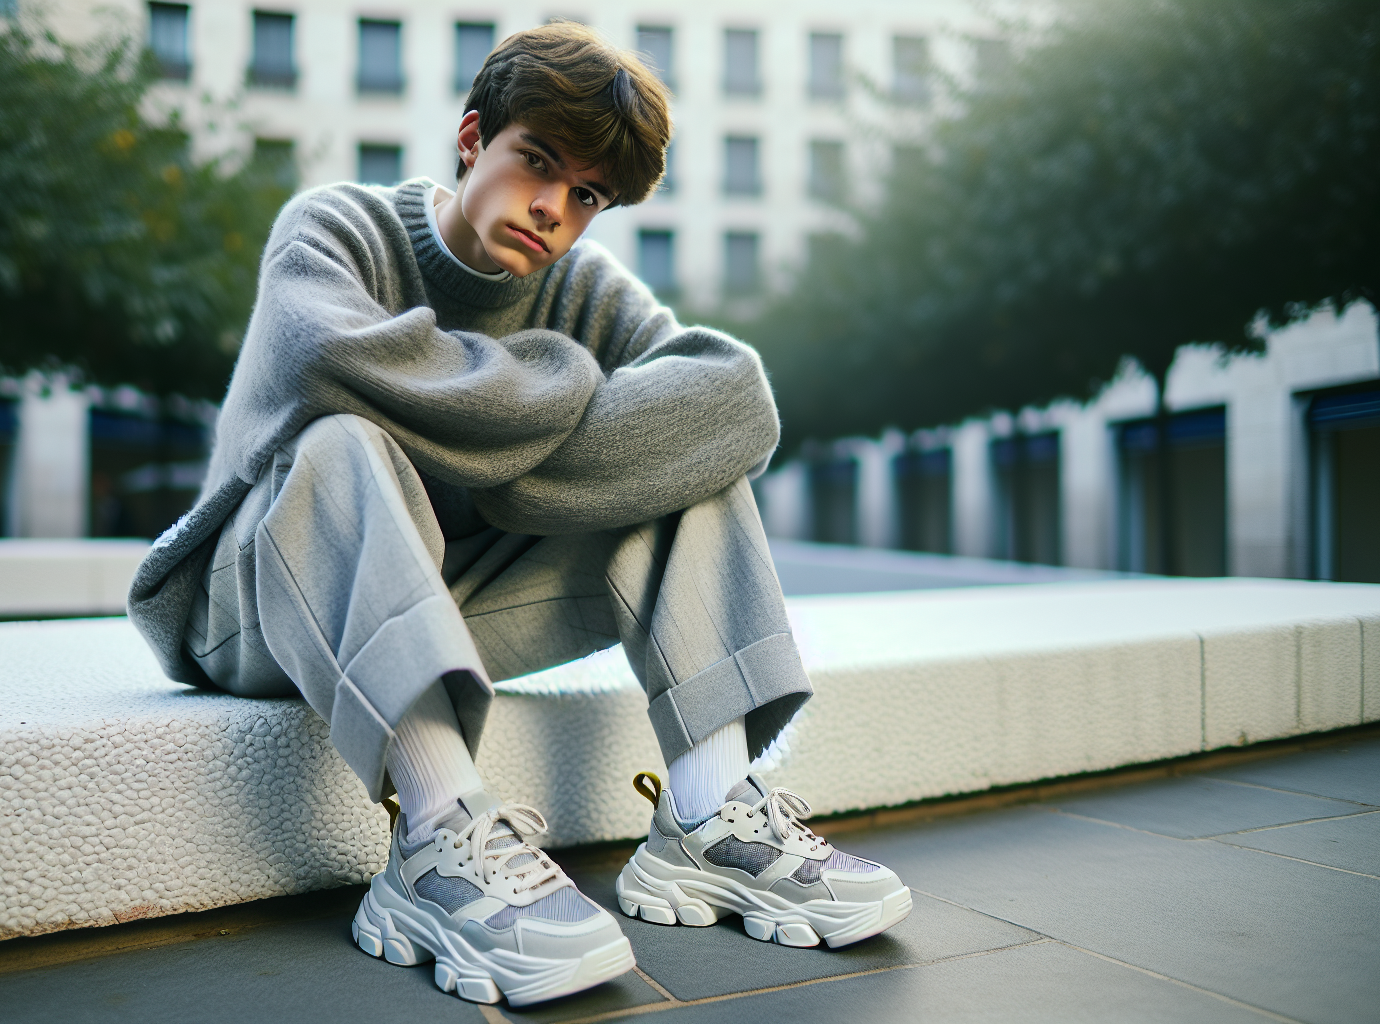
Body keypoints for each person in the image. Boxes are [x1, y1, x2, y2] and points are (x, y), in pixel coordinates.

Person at [126, 21, 909, 1008]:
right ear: (470, 140)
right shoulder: (337, 229)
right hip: (250, 605)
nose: (552, 208)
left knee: (685, 464)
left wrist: (501, 465)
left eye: (586, 195)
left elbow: (733, 399)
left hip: (435, 605)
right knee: (343, 440)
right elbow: (331, 365)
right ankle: (434, 842)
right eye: (535, 162)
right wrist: (558, 384)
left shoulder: (581, 291)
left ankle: (710, 818)